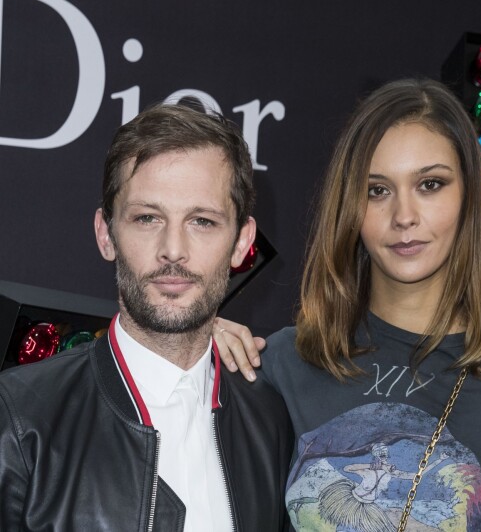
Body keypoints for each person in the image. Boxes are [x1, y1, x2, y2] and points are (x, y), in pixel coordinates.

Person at [214, 78, 481, 531]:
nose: (404, 216)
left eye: (430, 184)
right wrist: (190, 355)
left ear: (469, 197)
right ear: (350, 207)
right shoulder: (283, 363)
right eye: (377, 190)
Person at [0, 103, 293, 531]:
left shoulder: (270, 419)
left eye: (202, 221)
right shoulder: (19, 419)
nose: (173, 249)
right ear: (106, 234)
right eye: (148, 218)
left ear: (241, 243)